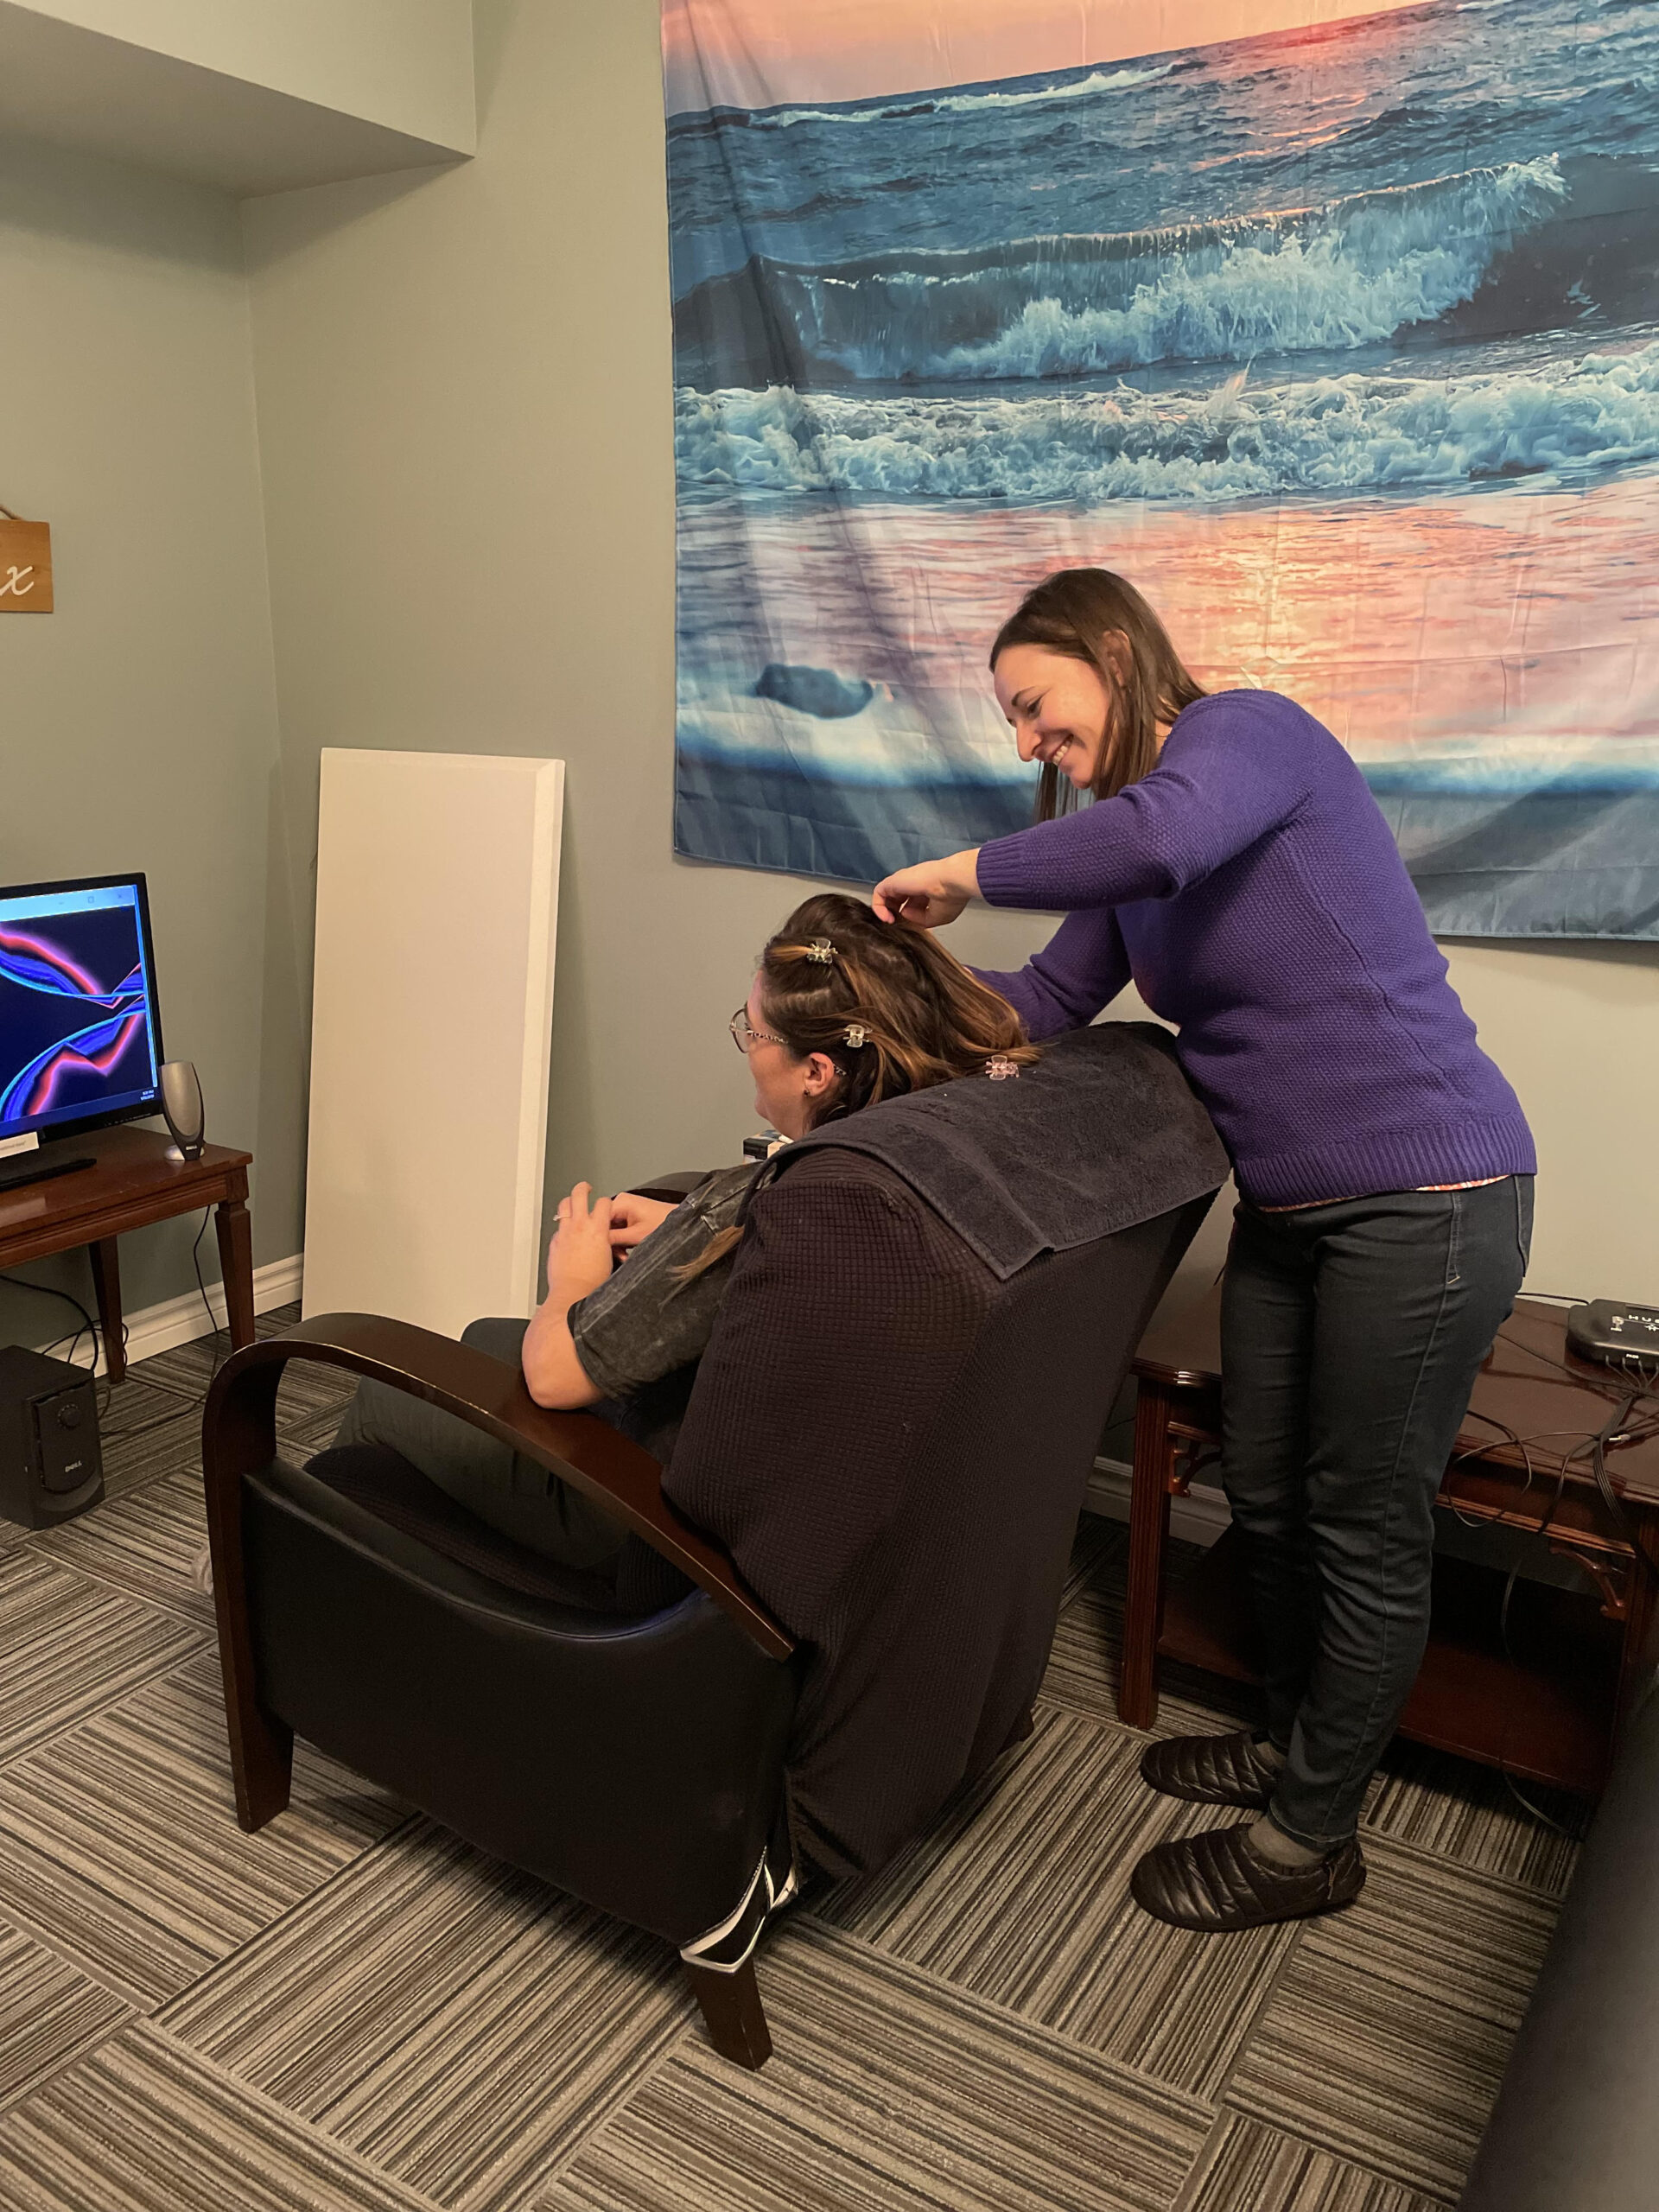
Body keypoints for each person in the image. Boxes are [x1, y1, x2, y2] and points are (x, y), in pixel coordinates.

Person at [873, 566, 1535, 1934]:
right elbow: (1043, 999)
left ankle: (1312, 1840)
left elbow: (1166, 842)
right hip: (1290, 1214)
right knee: (1275, 1501)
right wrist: (891, 980)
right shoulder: (1132, 844)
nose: (1024, 745)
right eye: (1010, 724)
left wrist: (961, 867)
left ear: (1113, 653)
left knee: (1363, 1523)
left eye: (1036, 709)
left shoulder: (1247, 739)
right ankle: (1297, 1743)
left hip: (1432, 1195)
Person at [323, 891, 1037, 1574]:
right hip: (777, 1488)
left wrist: (574, 1278)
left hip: (643, 1515)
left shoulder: (784, 1198)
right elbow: (791, 1265)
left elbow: (553, 1376)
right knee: (482, 1334)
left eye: (753, 1032)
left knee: (382, 1394)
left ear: (817, 1070)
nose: (745, 1045)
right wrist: (685, 1229)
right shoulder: (890, 1162)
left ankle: (263, 1583)